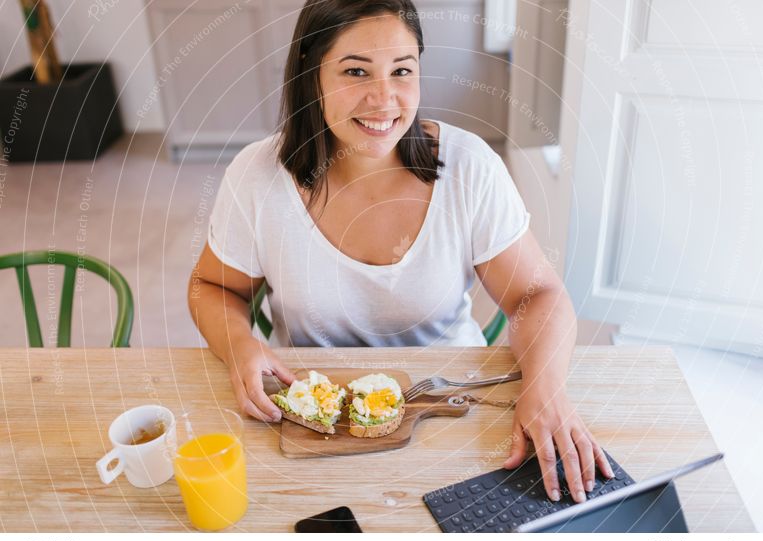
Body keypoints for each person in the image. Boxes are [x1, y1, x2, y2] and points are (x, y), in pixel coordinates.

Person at [188, 0, 614, 504]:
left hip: (450, 406)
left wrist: (544, 385)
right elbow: (212, 287)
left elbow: (537, 294)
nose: (383, 98)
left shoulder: (470, 167)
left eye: (402, 71)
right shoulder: (256, 176)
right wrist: (239, 344)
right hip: (314, 423)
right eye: (355, 71)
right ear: (311, 76)